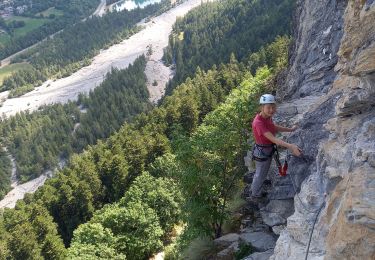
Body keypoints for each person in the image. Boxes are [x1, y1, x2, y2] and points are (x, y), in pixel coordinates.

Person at [250, 94, 302, 201]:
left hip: (266, 149)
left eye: (273, 107)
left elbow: (274, 127)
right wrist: (291, 146)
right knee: (260, 174)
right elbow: (273, 139)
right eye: (268, 107)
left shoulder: (267, 118)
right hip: (262, 151)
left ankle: (256, 191)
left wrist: (290, 130)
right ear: (262, 108)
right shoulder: (258, 122)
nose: (271, 110)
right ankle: (255, 195)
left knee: (262, 173)